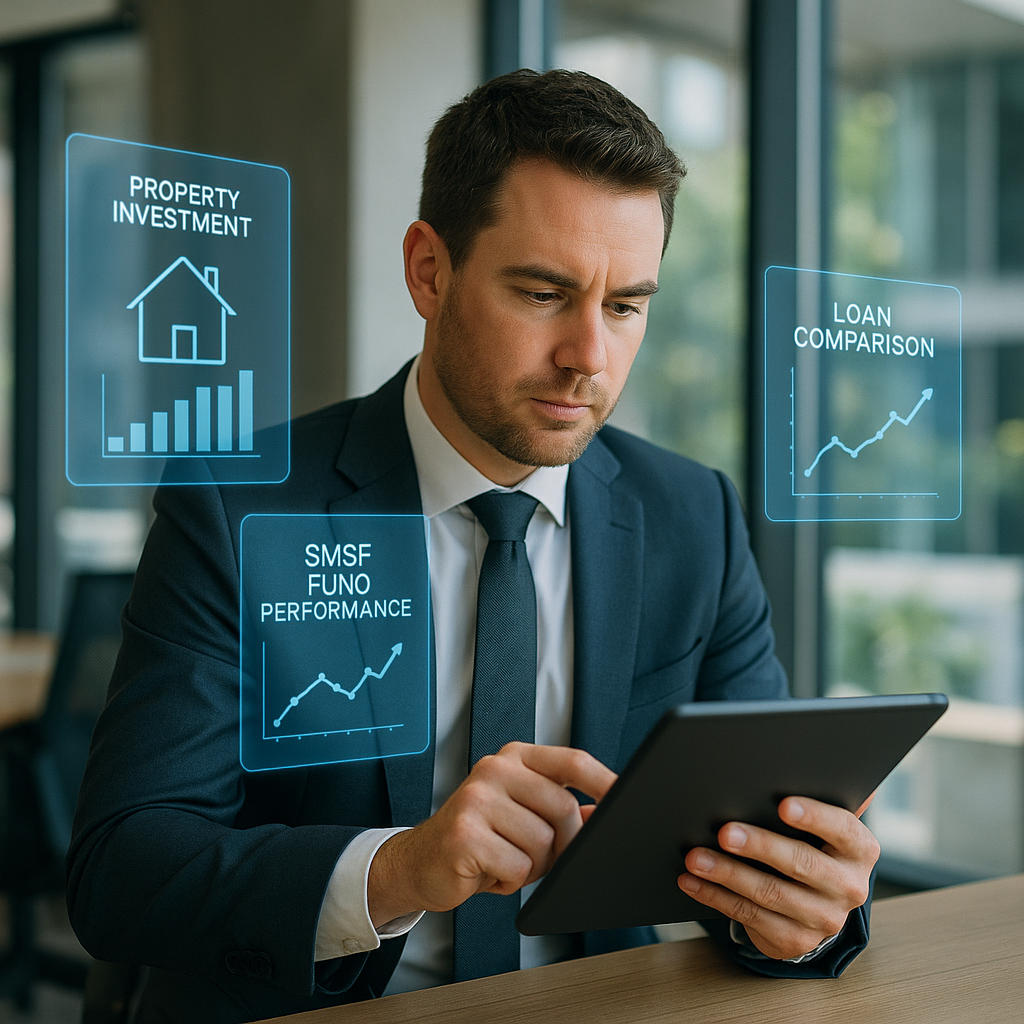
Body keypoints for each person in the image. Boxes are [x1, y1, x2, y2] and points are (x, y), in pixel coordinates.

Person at [67, 70, 879, 1023]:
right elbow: (122, 868)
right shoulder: (236, 508)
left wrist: (803, 912)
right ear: (429, 270)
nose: (589, 357)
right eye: (543, 293)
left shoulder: (692, 516)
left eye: (625, 306)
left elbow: (758, 845)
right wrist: (401, 869)